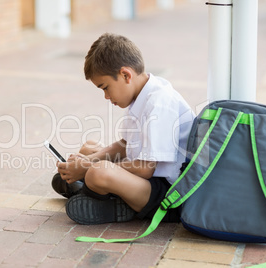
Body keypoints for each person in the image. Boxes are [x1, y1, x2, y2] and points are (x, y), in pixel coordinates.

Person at [52, 33, 195, 225]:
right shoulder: (140, 94)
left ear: (125, 75)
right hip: (148, 178)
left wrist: (87, 167)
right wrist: (87, 159)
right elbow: (124, 145)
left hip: (169, 194)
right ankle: (93, 190)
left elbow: (145, 169)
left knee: (98, 172)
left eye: (105, 87)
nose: (105, 96)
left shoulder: (160, 103)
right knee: (89, 148)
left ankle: (101, 194)